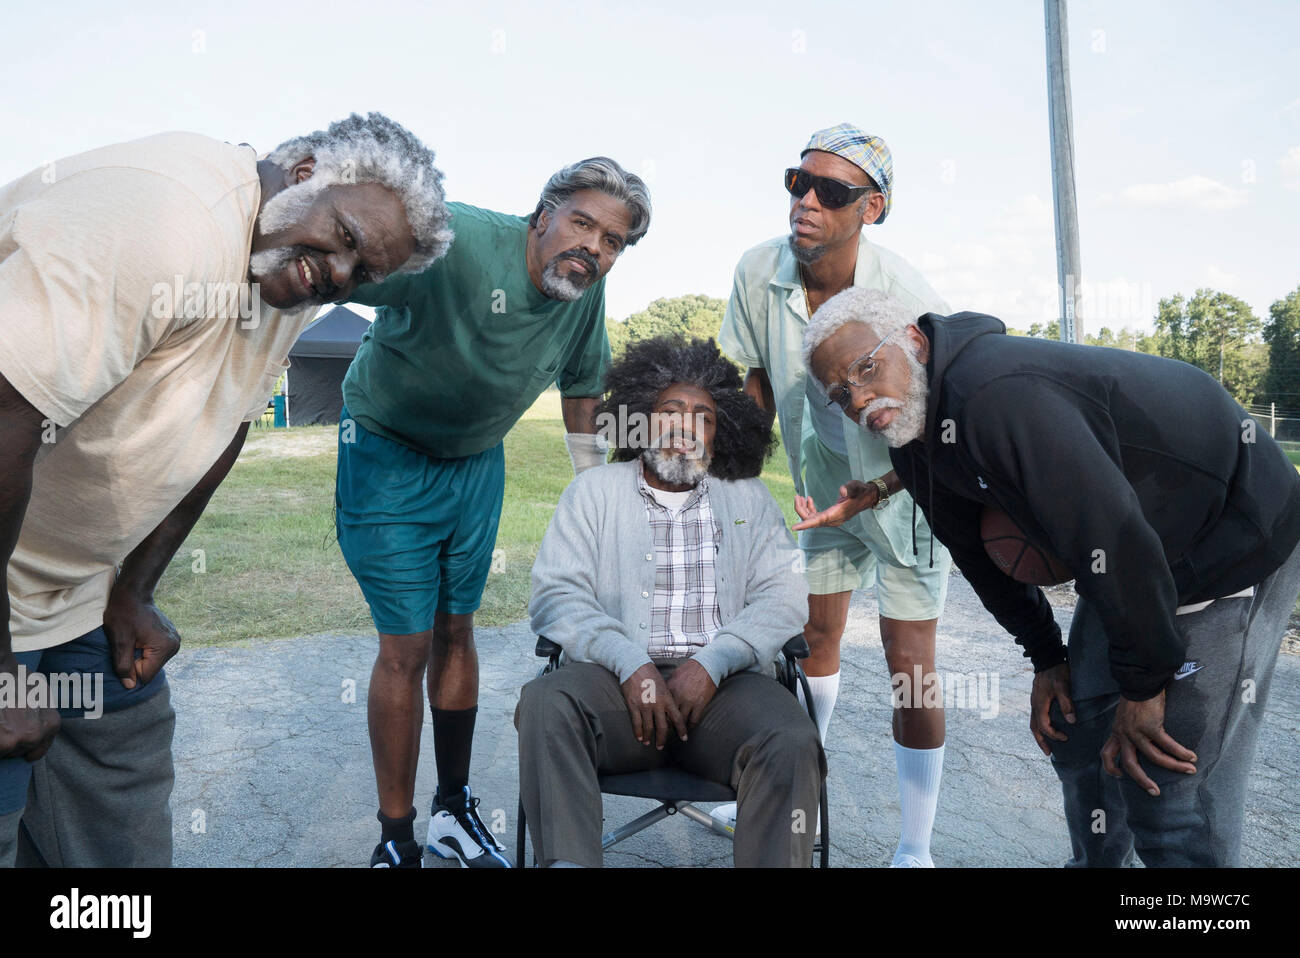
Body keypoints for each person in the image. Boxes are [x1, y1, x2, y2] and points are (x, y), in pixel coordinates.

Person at [0, 113, 450, 867]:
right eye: (343, 236)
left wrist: (134, 591)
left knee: (122, 808)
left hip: (68, 592)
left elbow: (226, 420)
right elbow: (7, 414)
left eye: (363, 273)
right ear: (305, 171)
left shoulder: (278, 270)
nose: (340, 275)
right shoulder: (164, 217)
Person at [802, 287, 1300, 867]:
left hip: (1228, 537)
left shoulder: (997, 395)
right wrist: (1046, 655)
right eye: (841, 393)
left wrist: (1143, 687)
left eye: (867, 368)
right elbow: (979, 558)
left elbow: (1114, 537)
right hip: (1135, 555)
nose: (860, 398)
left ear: (913, 340)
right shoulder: (915, 439)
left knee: (1169, 790)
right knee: (1081, 735)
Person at [339, 157, 651, 868]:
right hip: (387, 451)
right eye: (583, 224)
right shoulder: (457, 241)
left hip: (477, 461)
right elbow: (354, 271)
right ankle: (396, 838)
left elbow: (581, 387)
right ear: (542, 214)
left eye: (613, 242)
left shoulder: (581, 293)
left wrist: (592, 492)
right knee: (406, 647)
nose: (595, 249)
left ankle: (453, 809)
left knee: (458, 630)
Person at [715, 123, 952, 866]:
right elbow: (751, 386)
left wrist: (880, 490)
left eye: (831, 191)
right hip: (823, 491)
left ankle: (915, 848)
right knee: (813, 638)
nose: (806, 202)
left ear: (872, 208)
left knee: (908, 663)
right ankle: (795, 795)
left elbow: (944, 428)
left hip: (906, 491)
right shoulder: (758, 272)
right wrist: (735, 489)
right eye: (797, 182)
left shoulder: (909, 300)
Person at [516, 336, 823, 867]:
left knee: (791, 736)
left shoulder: (746, 495)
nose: (686, 427)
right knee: (547, 703)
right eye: (671, 411)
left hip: (725, 693)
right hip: (615, 687)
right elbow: (555, 594)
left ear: (719, 430)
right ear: (639, 419)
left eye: (703, 416)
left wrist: (712, 662)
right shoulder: (594, 493)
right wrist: (630, 661)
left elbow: (786, 594)